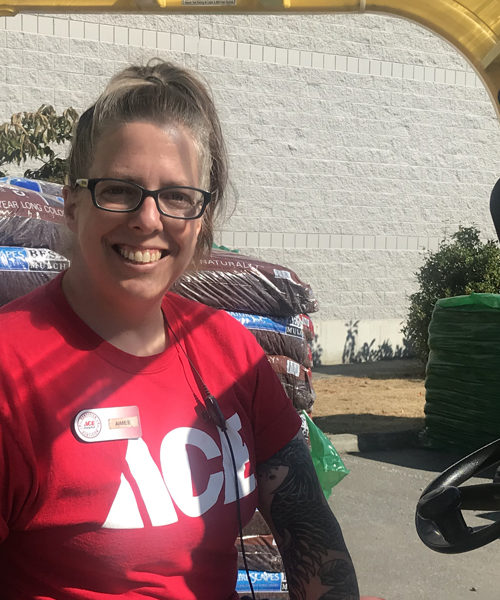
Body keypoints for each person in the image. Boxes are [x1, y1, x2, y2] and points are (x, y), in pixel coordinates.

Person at [0, 59, 359, 599]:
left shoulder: (231, 353)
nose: (148, 219)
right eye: (118, 189)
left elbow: (310, 528)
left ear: (201, 219)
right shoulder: (10, 370)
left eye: (177, 197)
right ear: (72, 203)